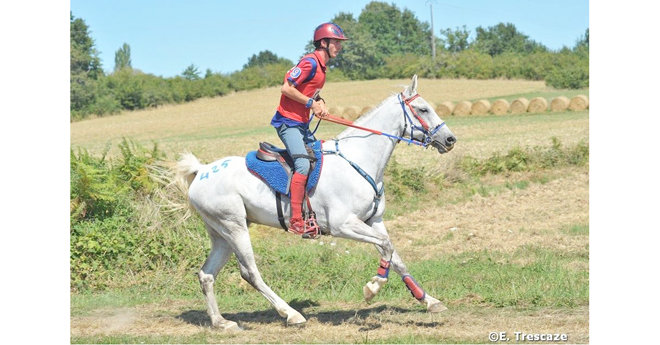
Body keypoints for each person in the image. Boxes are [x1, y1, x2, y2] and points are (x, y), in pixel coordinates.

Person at [269, 22, 348, 237]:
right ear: (324, 42)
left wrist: (319, 101)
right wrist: (311, 104)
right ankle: (296, 220)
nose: (339, 46)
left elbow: (309, 91)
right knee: (303, 164)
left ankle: (315, 211)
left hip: (301, 124)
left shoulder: (322, 67)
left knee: (321, 156)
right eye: (336, 42)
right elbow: (286, 88)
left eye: (341, 43)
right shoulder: (310, 62)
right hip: (288, 123)